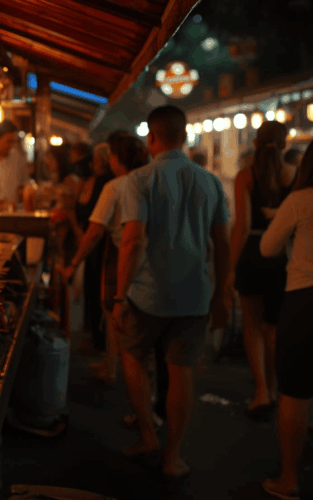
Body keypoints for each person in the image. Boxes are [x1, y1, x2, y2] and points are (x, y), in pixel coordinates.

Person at [113, 105, 230, 479]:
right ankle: (173, 457)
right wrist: (222, 295)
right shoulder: (209, 181)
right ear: (184, 135)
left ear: (151, 137)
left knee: (132, 353)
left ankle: (148, 435)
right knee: (182, 373)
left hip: (147, 293)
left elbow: (132, 241)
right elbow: (223, 243)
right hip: (195, 294)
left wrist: (118, 296)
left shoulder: (140, 179)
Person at [60, 133, 148, 385]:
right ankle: (115, 364)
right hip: (149, 257)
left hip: (121, 252)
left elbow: (95, 231)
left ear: (117, 158)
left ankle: (116, 369)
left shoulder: (115, 186)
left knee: (115, 314)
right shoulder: (148, 180)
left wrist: (74, 263)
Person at [229, 121, 297, 420]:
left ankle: (261, 392)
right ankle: (276, 387)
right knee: (273, 328)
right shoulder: (294, 175)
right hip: (283, 256)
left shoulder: (246, 175)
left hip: (253, 254)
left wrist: (229, 268)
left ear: (256, 143)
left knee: (252, 326)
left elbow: (242, 227)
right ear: (284, 145)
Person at [259, 140, 313, 500]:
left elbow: (267, 247)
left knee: (294, 391)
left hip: (304, 299)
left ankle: (289, 477)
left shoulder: (300, 200)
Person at [75, 143, 114, 351]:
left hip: (99, 245)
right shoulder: (101, 181)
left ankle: (98, 340)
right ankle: (99, 340)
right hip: (100, 244)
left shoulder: (103, 182)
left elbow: (93, 216)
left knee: (96, 289)